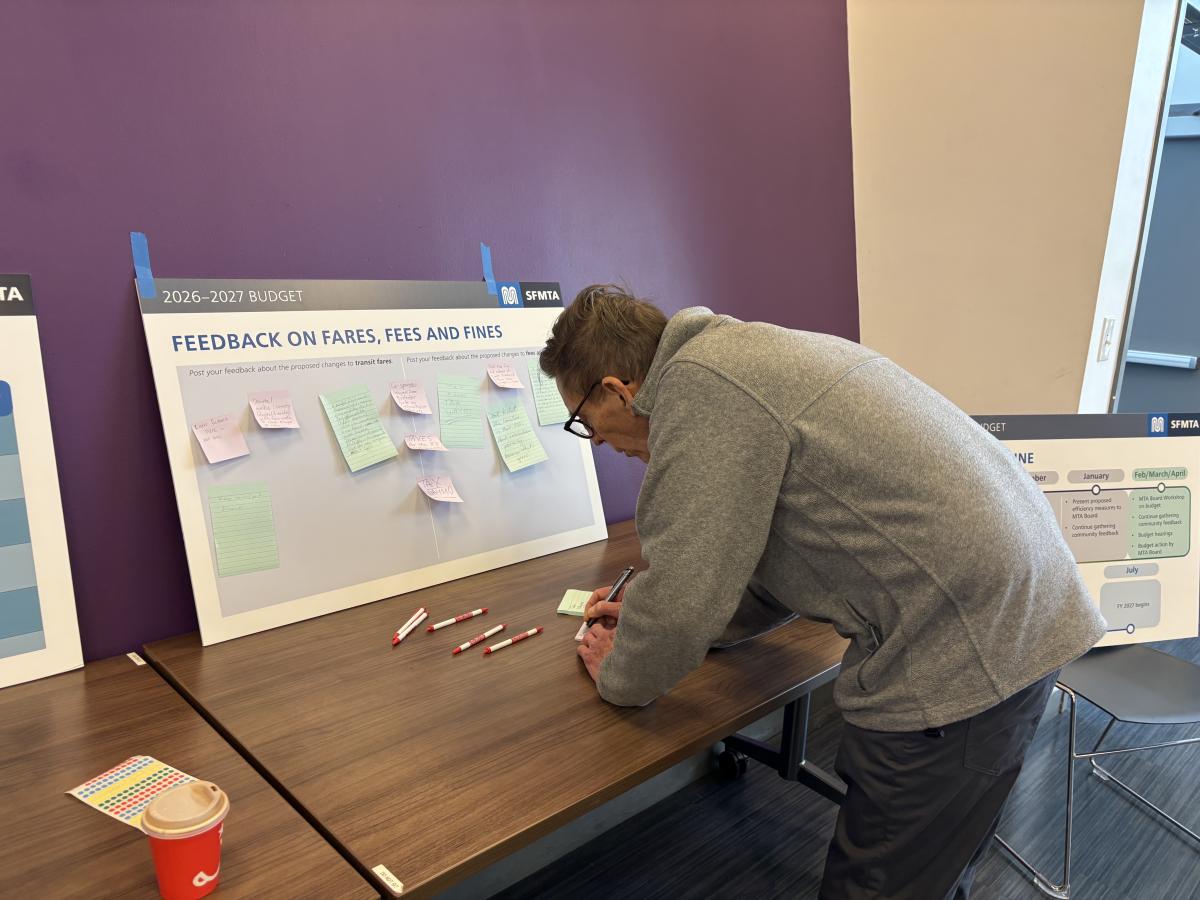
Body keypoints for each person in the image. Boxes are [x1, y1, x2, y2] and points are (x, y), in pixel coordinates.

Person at [538, 284, 1106, 900]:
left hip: (963, 647)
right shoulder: (745, 356)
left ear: (619, 390)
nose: (599, 445)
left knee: (879, 883)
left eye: (587, 424)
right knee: (937, 861)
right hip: (1019, 611)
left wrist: (621, 670)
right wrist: (663, 617)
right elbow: (755, 563)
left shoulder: (701, 390)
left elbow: (683, 599)